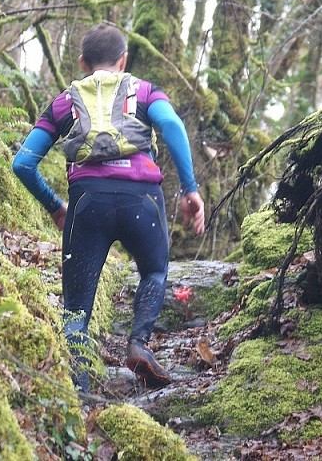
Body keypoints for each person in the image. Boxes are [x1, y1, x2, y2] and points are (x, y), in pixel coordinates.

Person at [12, 23, 205, 392]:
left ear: (83, 62)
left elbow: (22, 164)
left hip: (88, 203)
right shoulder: (145, 92)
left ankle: (79, 396)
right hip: (142, 201)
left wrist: (55, 207)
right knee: (154, 271)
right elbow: (173, 126)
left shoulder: (64, 102)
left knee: (76, 312)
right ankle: (139, 342)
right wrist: (189, 189)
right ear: (124, 60)